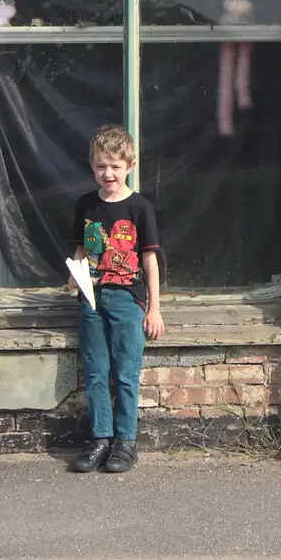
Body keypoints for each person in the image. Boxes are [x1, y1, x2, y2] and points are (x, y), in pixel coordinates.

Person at [68, 124, 165, 474]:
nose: (108, 174)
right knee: (95, 371)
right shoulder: (86, 205)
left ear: (130, 166)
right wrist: (75, 273)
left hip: (127, 299)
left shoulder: (140, 208)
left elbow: (150, 259)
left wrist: (153, 308)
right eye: (100, 167)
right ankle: (100, 439)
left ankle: (125, 442)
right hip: (91, 298)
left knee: (125, 373)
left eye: (115, 166)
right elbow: (81, 247)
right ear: (93, 167)